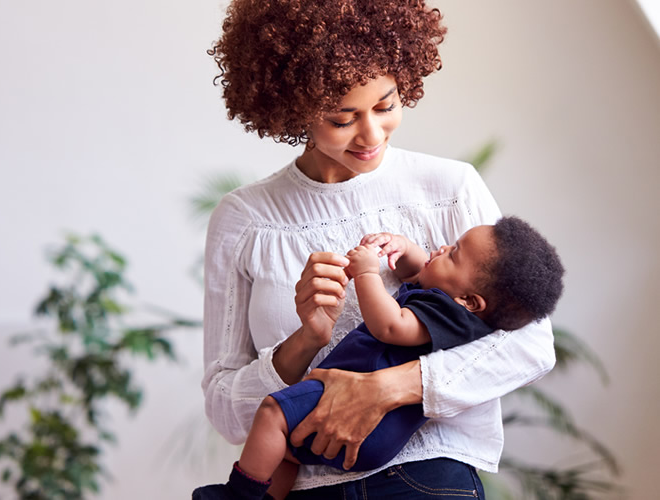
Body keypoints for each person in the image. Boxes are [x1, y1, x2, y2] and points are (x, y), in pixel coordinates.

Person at [202, 0, 558, 498]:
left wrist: (389, 389)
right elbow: (223, 406)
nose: (371, 135)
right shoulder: (246, 220)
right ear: (291, 105)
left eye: (386, 106)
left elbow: (529, 344)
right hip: (306, 486)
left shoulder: (449, 188)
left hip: (427, 478)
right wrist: (306, 339)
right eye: (341, 117)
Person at [194, 218, 564, 499]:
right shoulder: (457, 306)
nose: (441, 248)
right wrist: (402, 247)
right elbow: (422, 271)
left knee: (273, 413)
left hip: (373, 431)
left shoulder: (445, 313)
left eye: (453, 253)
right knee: (289, 453)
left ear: (470, 302)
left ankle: (237, 495)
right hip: (374, 437)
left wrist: (369, 272)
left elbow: (390, 325)